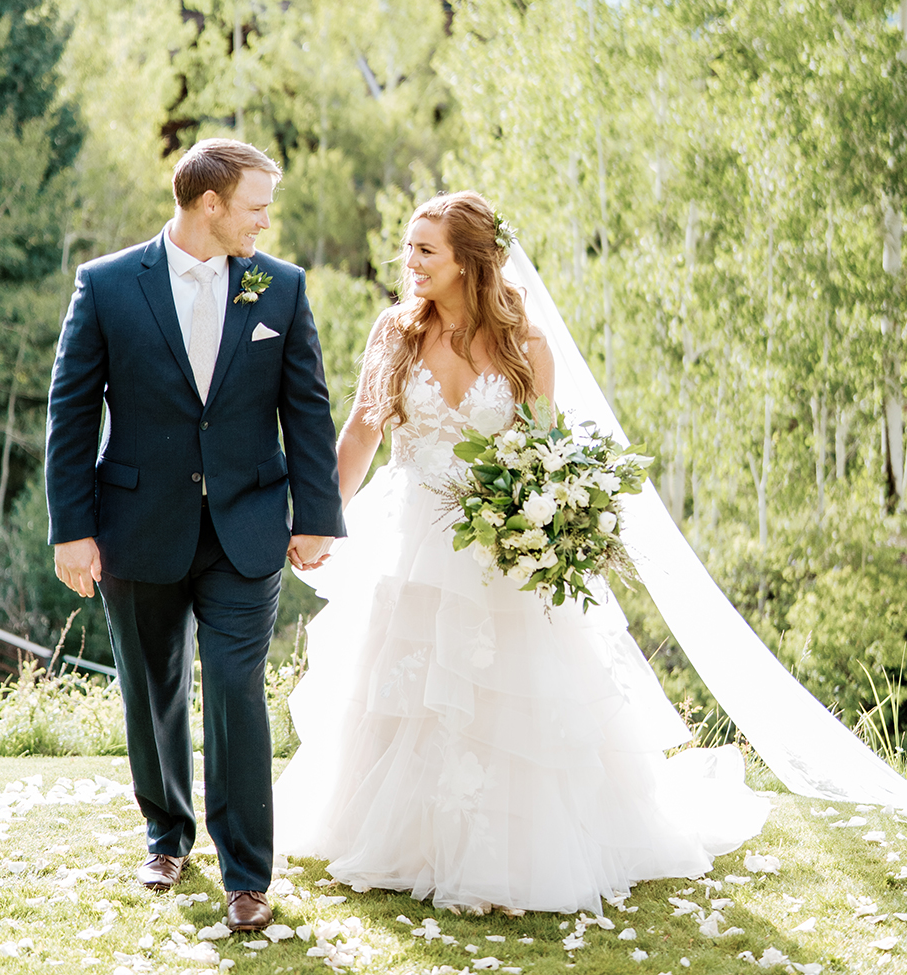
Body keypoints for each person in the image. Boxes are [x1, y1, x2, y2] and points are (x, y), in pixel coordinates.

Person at [273, 191, 770, 914]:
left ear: (469, 262)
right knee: (401, 682)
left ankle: (503, 849)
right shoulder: (394, 332)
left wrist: (541, 525)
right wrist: (320, 516)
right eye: (408, 249)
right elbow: (362, 431)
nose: (408, 263)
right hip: (408, 535)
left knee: (502, 690)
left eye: (424, 251)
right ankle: (397, 837)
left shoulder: (525, 343)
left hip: (495, 539)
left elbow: (542, 452)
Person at [45, 138, 345, 931]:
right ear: (209, 204)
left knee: (239, 690)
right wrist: (70, 530)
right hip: (137, 523)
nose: (266, 220)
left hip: (247, 523)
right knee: (152, 687)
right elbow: (71, 411)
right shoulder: (107, 285)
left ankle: (248, 871)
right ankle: (166, 832)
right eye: (256, 205)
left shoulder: (278, 287)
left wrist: (316, 515)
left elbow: (307, 407)